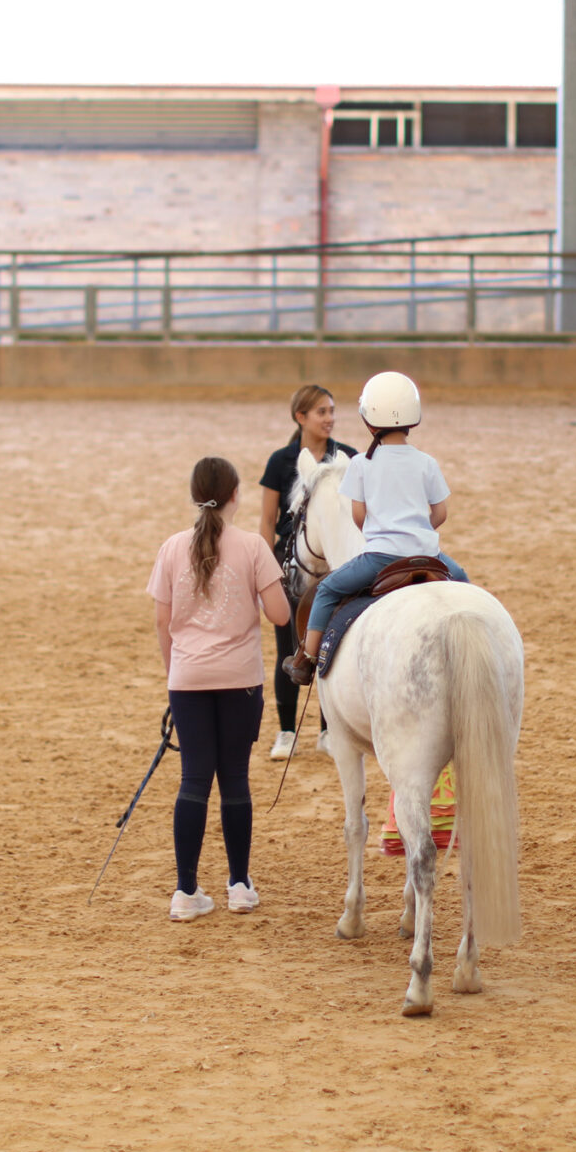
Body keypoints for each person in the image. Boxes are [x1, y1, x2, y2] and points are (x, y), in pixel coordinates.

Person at [148, 457, 291, 920]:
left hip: (187, 679)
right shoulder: (251, 547)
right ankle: (238, 884)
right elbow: (280, 616)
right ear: (235, 496)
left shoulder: (172, 548)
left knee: (193, 780)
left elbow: (162, 622)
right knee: (234, 779)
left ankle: (186, 891)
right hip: (239, 680)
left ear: (194, 495)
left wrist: (175, 678)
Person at [281, 371, 469, 688]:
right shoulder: (426, 462)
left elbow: (358, 515)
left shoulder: (362, 464)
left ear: (369, 421)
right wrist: (421, 530)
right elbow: (441, 512)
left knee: (326, 591)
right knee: (462, 581)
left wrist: (378, 532)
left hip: (381, 558)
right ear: (414, 419)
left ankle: (306, 660)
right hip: (428, 555)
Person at [259, 382, 356, 759]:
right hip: (290, 566)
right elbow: (268, 521)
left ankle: (329, 730)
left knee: (333, 649)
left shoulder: (347, 458)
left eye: (332, 411)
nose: (330, 419)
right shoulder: (280, 461)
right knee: (288, 647)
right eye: (322, 412)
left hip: (335, 567)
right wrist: (267, 571)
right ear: (301, 417)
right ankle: (286, 731)